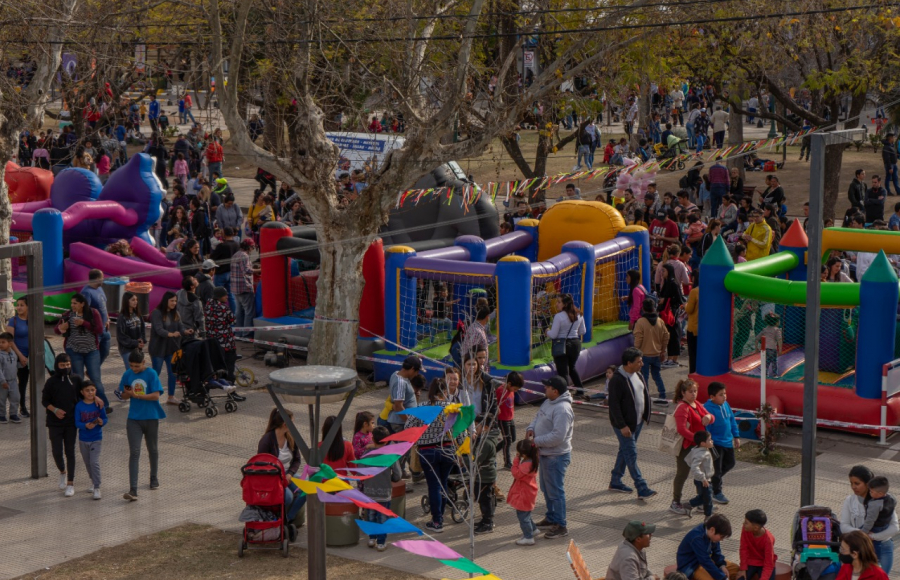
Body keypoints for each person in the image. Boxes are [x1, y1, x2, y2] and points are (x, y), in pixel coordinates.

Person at [526, 375, 574, 539]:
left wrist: (536, 441)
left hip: (556, 457)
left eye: (547, 387)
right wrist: (531, 428)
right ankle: (551, 517)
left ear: (556, 391)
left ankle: (561, 525)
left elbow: (557, 437)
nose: (544, 389)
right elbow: (537, 417)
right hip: (546, 455)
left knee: (555, 491)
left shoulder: (562, 409)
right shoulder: (548, 402)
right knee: (547, 489)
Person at [607, 347, 657, 499]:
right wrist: (622, 426)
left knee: (625, 451)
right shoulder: (617, 380)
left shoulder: (638, 375)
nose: (642, 364)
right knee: (631, 454)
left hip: (637, 422)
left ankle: (615, 480)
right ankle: (641, 487)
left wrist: (645, 415)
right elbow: (614, 406)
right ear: (628, 363)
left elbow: (644, 395)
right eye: (639, 361)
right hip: (625, 425)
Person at [120, 350, 166, 502]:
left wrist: (137, 395)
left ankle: (154, 477)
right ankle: (133, 489)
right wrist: (127, 394)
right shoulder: (127, 374)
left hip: (151, 417)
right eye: (132, 366)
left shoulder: (151, 374)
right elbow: (122, 395)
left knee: (152, 449)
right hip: (134, 419)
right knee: (134, 452)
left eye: (137, 366)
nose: (134, 369)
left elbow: (156, 396)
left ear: (144, 363)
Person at [43, 354, 89, 496]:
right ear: (57, 365)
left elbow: (85, 394)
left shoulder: (76, 379)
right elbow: (45, 401)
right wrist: (55, 410)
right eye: (63, 365)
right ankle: (62, 471)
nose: (66, 367)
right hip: (54, 423)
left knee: (70, 451)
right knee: (57, 452)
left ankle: (70, 482)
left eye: (68, 365)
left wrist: (97, 398)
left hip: (71, 422)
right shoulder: (51, 382)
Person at [413, 378, 454, 533]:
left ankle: (437, 521)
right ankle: (440, 516)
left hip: (427, 451)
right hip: (448, 449)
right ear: (445, 391)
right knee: (443, 482)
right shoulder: (451, 408)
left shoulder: (422, 407)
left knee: (434, 485)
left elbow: (409, 426)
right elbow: (461, 430)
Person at [840, 465, 899, 574]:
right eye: (851, 483)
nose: (853, 487)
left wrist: (872, 537)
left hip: (883, 548)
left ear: (868, 484)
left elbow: (895, 528)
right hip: (859, 550)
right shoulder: (850, 500)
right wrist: (862, 535)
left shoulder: (885, 500)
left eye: (857, 483)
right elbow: (843, 526)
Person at [55, 293, 109, 409]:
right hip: (74, 351)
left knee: (95, 378)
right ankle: (81, 404)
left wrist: (84, 323)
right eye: (71, 303)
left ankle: (104, 404)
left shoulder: (93, 313)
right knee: (78, 378)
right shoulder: (68, 315)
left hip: (91, 351)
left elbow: (100, 329)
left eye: (75, 303)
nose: (72, 305)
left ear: (82, 304)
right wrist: (61, 328)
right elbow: (57, 330)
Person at [257, 407, 304, 539]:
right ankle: (278, 519)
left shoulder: (290, 438)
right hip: (273, 478)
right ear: (285, 424)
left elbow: (297, 460)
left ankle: (287, 519)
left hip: (288, 475)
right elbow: (261, 465)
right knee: (288, 497)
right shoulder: (266, 440)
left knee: (306, 489)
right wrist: (279, 477)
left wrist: (290, 473)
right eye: (292, 422)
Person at [670, 379, 715, 516]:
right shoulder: (683, 407)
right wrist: (698, 440)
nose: (694, 394)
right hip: (688, 447)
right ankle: (675, 502)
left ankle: (701, 501)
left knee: (701, 474)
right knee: (682, 475)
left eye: (695, 391)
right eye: (690, 392)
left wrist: (708, 416)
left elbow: (711, 416)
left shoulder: (697, 405)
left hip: (700, 446)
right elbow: (682, 430)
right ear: (683, 392)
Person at [359, 425, 402, 551]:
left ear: (373, 438)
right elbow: (398, 474)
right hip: (384, 492)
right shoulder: (390, 455)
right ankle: (381, 542)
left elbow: (361, 472)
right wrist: (393, 479)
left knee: (370, 516)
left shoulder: (367, 454)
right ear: (387, 440)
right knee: (383, 518)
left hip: (369, 492)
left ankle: (372, 538)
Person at [149, 291, 191, 405]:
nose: (174, 303)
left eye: (175, 301)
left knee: (173, 373)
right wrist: (171, 334)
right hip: (158, 348)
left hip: (171, 348)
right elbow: (159, 330)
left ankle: (171, 397)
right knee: (155, 373)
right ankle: (152, 395)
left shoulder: (176, 313)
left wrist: (186, 331)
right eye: (172, 301)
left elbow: (180, 327)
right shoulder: (157, 313)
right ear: (165, 301)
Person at [703, 382, 741, 505]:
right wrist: (709, 441)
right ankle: (716, 492)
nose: (724, 396)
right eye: (721, 394)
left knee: (730, 463)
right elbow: (705, 427)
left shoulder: (726, 405)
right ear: (712, 397)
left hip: (727, 442)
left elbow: (731, 419)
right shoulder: (707, 408)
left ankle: (712, 481)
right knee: (717, 469)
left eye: (725, 393)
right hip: (716, 444)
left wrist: (736, 436)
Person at [547, 294, 586, 399]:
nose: (557, 304)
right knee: (572, 367)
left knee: (563, 371)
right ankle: (580, 390)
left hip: (562, 345)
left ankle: (564, 394)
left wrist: (547, 331)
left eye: (559, 302)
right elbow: (583, 331)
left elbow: (554, 335)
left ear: (565, 304)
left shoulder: (559, 316)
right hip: (575, 344)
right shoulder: (579, 314)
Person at [676, 514, 740, 580]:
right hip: (692, 566)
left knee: (736, 569)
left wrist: (722, 565)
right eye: (721, 537)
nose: (722, 539)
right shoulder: (697, 538)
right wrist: (722, 577)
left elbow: (716, 552)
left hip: (707, 561)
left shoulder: (712, 535)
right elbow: (705, 561)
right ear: (712, 530)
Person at [75, 380, 106, 500]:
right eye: (87, 390)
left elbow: (104, 418)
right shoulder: (79, 406)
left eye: (92, 390)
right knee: (88, 463)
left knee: (94, 462)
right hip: (83, 439)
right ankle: (93, 481)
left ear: (95, 391)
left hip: (96, 438)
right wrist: (85, 426)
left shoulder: (99, 404)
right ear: (82, 392)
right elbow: (77, 422)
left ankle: (97, 487)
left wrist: (101, 422)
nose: (90, 392)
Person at [633, 299, 669, 402]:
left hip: (644, 355)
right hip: (657, 354)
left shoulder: (640, 322)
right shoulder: (659, 321)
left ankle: (645, 397)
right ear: (654, 308)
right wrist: (663, 350)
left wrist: (635, 352)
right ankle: (662, 396)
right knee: (657, 375)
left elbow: (638, 339)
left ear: (643, 308)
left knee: (644, 377)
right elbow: (666, 336)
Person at [508, 438, 540, 546]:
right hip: (528, 492)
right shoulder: (532, 460)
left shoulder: (526, 464)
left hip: (524, 494)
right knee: (526, 514)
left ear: (524, 454)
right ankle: (533, 529)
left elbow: (515, 473)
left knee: (523, 516)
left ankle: (528, 537)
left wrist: (516, 460)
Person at [473, 414, 501, 534]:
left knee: (485, 499)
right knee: (483, 499)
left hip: (484, 475)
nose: (475, 429)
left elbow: (477, 460)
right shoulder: (486, 439)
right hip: (484, 474)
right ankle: (485, 519)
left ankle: (487, 523)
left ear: (485, 427)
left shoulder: (485, 443)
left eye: (477, 426)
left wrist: (464, 460)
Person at [205, 287, 237, 380]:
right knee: (229, 364)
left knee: (216, 363)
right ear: (219, 297)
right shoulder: (223, 307)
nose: (227, 296)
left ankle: (217, 379)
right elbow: (233, 320)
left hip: (212, 342)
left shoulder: (207, 305)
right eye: (225, 295)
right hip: (225, 342)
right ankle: (230, 385)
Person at [6, 297, 30, 418]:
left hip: (27, 357)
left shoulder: (33, 320)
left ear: (28, 307)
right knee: (10, 381)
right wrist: (20, 355)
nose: (19, 307)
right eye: (18, 305)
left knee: (23, 383)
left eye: (22, 305)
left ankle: (22, 407)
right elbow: (9, 340)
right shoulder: (13, 320)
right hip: (14, 356)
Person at [81, 269, 111, 365]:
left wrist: (107, 318)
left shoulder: (99, 288)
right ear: (97, 278)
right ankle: (93, 371)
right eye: (102, 278)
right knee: (94, 354)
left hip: (105, 329)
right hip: (96, 331)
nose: (103, 280)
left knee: (105, 352)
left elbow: (103, 305)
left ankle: (92, 370)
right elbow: (85, 312)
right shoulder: (87, 292)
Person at [658, 263, 685, 368]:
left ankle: (673, 359)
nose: (662, 273)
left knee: (674, 335)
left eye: (663, 271)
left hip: (672, 314)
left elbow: (679, 300)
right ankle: (670, 358)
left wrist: (666, 300)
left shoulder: (673, 283)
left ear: (669, 271)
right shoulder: (667, 282)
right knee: (670, 335)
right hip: (667, 313)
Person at [231, 238, 260, 337]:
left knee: (239, 312)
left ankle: (238, 333)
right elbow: (246, 270)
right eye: (252, 247)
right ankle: (247, 334)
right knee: (249, 312)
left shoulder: (236, 254)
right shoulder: (244, 256)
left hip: (236, 288)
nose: (252, 249)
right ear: (248, 247)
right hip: (244, 288)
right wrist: (260, 269)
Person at [737, 510, 777, 580]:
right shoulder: (745, 529)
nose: (743, 524)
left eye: (746, 523)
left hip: (764, 563)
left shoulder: (768, 540)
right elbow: (743, 549)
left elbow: (768, 563)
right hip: (750, 561)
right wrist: (743, 568)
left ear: (755, 527)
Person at [387, 355, 421, 435]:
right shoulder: (401, 383)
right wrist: (409, 423)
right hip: (401, 424)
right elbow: (399, 406)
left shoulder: (396, 374)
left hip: (403, 422)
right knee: (405, 447)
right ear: (412, 369)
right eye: (417, 371)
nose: (416, 374)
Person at [684, 431, 715, 518]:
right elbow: (694, 467)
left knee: (703, 497)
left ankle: (689, 505)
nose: (712, 441)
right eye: (709, 440)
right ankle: (708, 516)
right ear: (703, 443)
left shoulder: (700, 450)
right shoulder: (701, 453)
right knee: (708, 498)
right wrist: (703, 478)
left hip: (702, 479)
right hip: (703, 481)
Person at [496, 371, 523, 469]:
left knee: (513, 438)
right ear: (509, 384)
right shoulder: (500, 391)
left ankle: (493, 450)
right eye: (515, 389)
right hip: (502, 419)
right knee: (508, 440)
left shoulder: (510, 390)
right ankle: (507, 462)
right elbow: (494, 402)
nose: (515, 391)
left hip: (510, 418)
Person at [116, 291, 146, 369]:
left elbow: (142, 329)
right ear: (127, 301)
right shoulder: (122, 317)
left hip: (138, 349)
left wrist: (142, 340)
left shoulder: (138, 314)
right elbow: (121, 336)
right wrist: (135, 343)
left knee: (139, 371)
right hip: (127, 350)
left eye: (136, 299)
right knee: (132, 372)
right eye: (133, 300)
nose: (135, 301)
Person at [0, 331, 20, 424]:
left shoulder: (13, 354)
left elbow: (15, 365)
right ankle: (1, 415)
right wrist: (2, 381)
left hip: (13, 380)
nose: (1, 344)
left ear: (10, 343)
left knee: (15, 398)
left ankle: (13, 414)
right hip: (3, 382)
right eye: (0, 342)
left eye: (3, 342)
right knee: (1, 399)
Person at [755, 313, 782, 378]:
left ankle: (765, 373)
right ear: (776, 322)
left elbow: (757, 338)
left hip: (765, 349)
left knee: (766, 362)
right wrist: (780, 350)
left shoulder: (765, 329)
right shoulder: (777, 330)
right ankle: (774, 375)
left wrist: (756, 348)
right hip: (772, 349)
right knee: (774, 362)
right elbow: (779, 340)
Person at [685, 272, 700, 374]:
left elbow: (689, 309)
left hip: (693, 328)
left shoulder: (695, 291)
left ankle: (693, 375)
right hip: (705, 329)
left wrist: (685, 305)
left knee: (693, 355)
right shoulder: (710, 291)